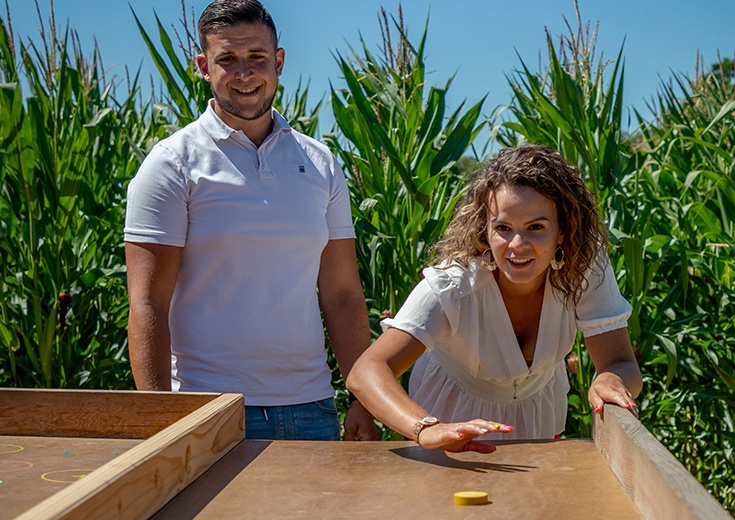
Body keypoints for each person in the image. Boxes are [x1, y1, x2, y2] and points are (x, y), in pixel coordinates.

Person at [124, 0, 376, 442]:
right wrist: (157, 417)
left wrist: (363, 398)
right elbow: (148, 304)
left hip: (311, 408)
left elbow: (342, 295)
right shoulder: (171, 164)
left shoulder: (320, 163)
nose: (244, 73)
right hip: (206, 410)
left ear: (278, 62)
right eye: (227, 60)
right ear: (204, 66)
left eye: (257, 58)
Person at [346, 144, 641, 453]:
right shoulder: (453, 285)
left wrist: (611, 379)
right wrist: (425, 428)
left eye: (536, 227)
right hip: (450, 414)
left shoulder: (584, 268)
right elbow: (367, 371)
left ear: (563, 230)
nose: (517, 244)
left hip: (539, 411)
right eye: (503, 227)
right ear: (484, 229)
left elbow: (621, 364)